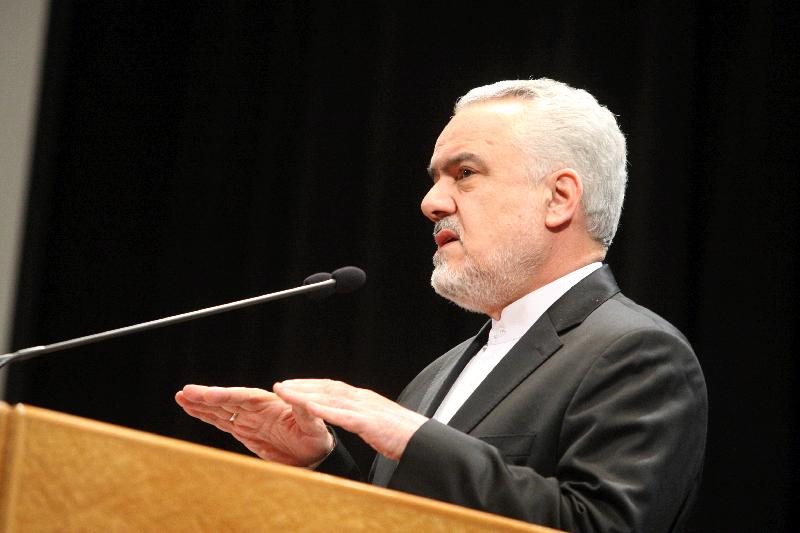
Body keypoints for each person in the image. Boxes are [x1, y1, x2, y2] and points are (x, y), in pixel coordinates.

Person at [175, 78, 707, 532]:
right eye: (435, 179)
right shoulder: (436, 375)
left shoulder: (636, 353)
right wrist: (321, 464)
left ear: (559, 198)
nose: (431, 202)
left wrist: (414, 439)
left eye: (465, 173)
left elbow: (600, 524)